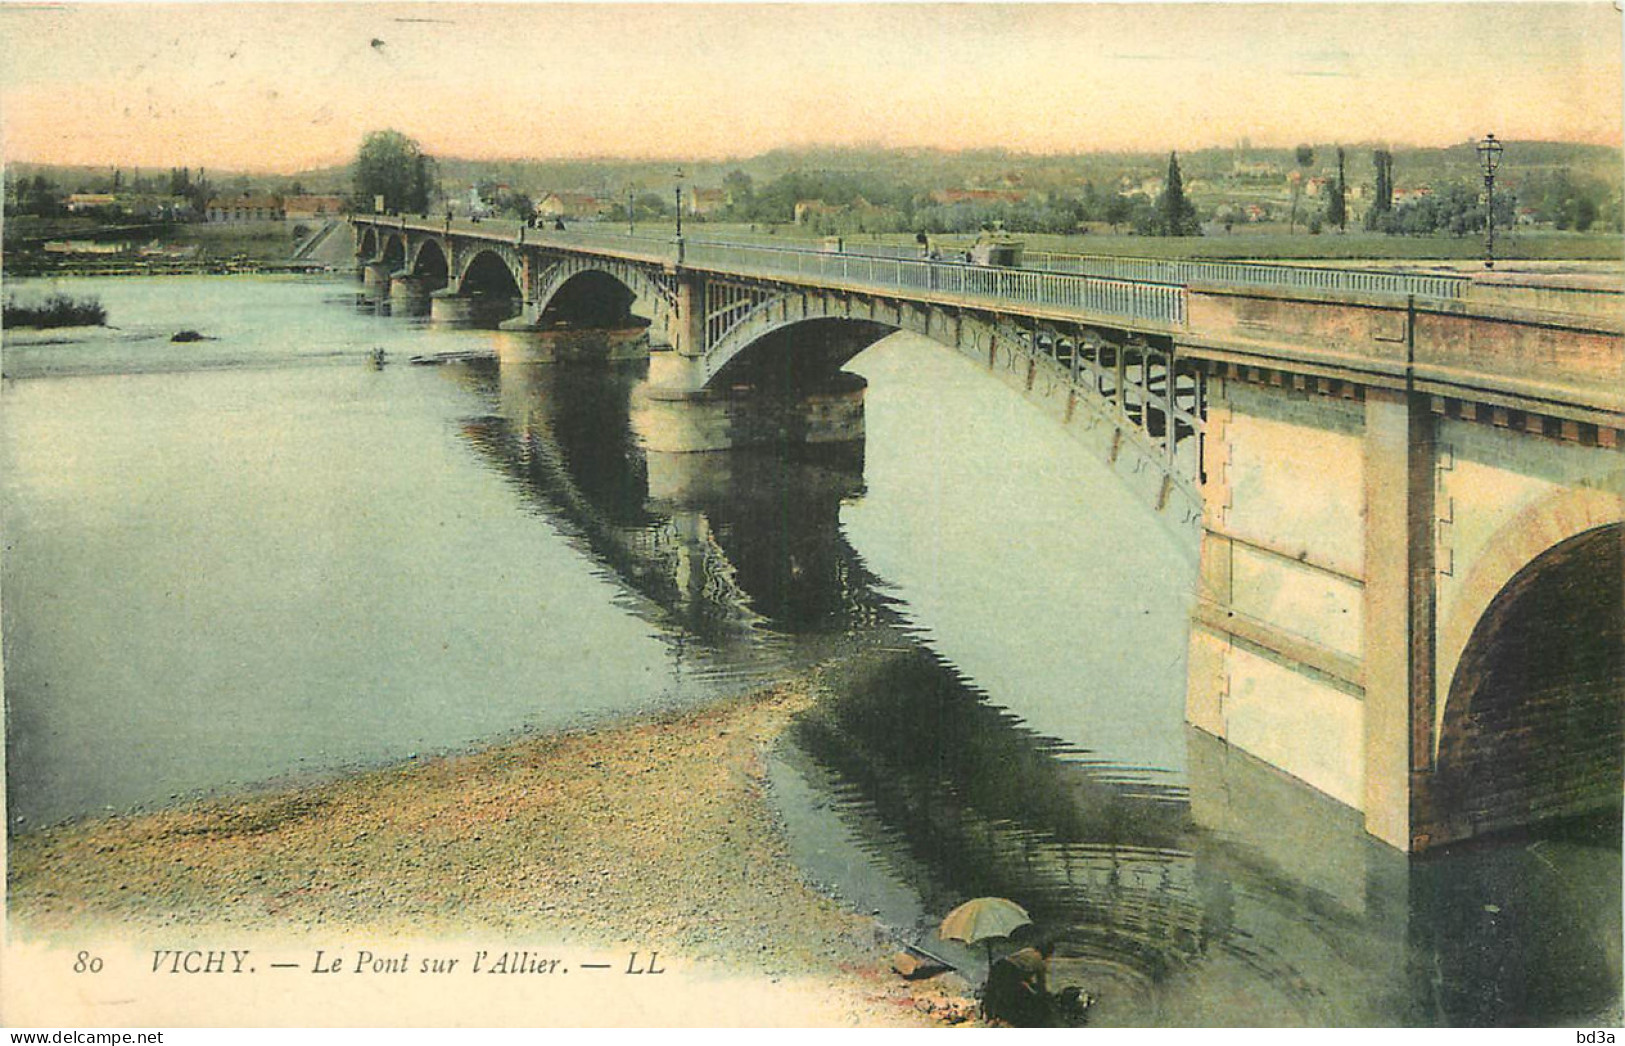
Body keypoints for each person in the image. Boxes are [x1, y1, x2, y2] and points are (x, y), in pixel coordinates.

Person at [981, 941, 1053, 1026]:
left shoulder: (1028, 950)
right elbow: (1041, 984)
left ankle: (989, 1016)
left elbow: (1021, 968)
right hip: (1009, 970)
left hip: (999, 964)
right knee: (1009, 996)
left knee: (992, 991)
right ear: (1047, 953)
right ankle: (1004, 1018)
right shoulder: (1039, 961)